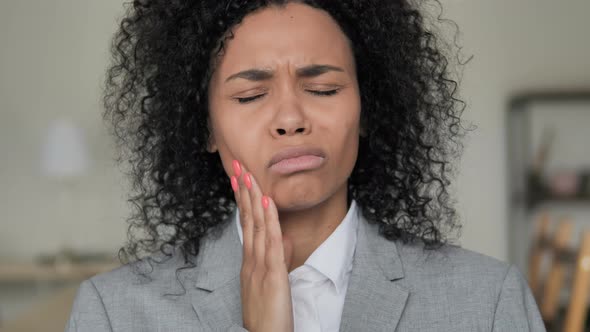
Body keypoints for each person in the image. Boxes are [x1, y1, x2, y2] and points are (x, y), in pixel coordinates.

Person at [67, 1, 545, 331]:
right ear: (205, 128)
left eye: (323, 90)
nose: (291, 119)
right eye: (251, 95)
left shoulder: (485, 301)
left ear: (367, 107)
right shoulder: (116, 313)